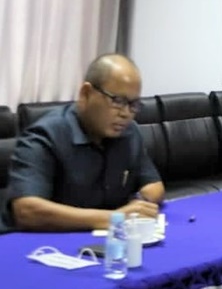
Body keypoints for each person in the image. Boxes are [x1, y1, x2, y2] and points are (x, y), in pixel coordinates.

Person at [1, 54, 164, 233]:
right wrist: (115, 218)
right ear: (86, 93)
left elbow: (154, 185)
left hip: (102, 238)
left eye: (133, 104)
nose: (126, 113)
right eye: (117, 101)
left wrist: (138, 204)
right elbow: (26, 210)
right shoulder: (44, 136)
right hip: (43, 242)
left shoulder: (129, 132)